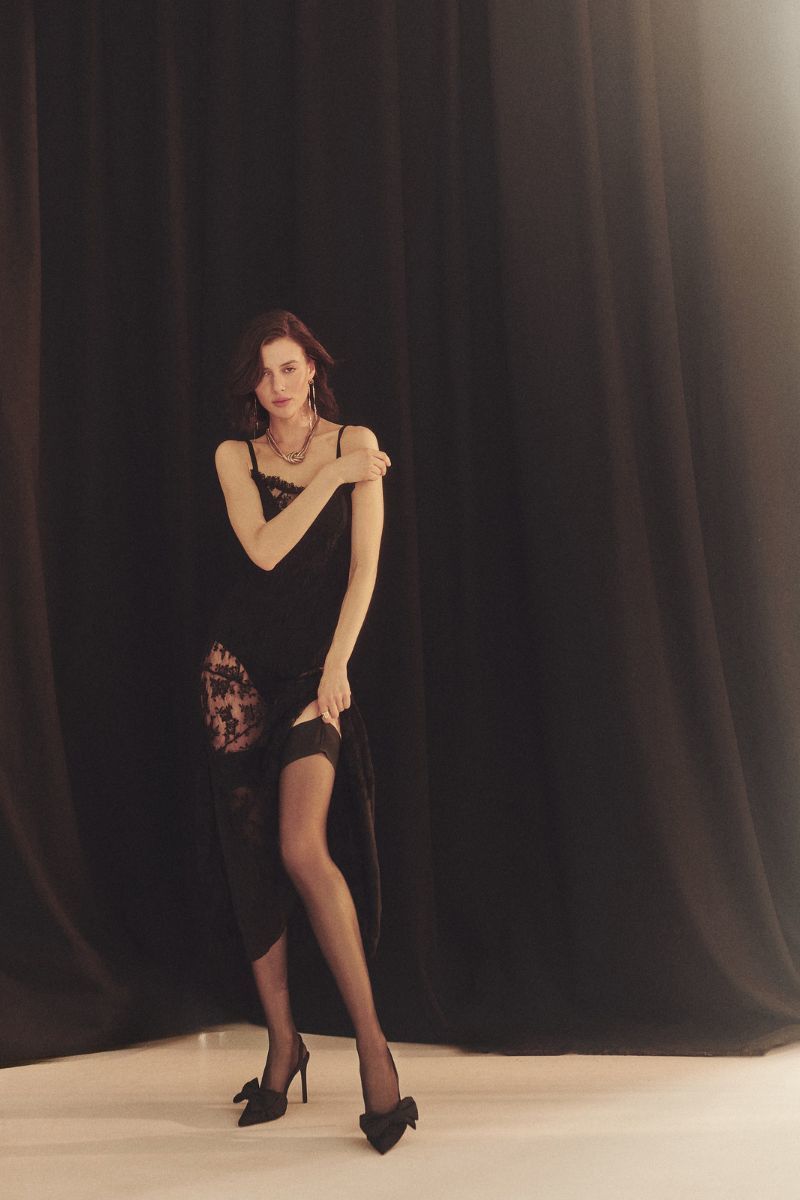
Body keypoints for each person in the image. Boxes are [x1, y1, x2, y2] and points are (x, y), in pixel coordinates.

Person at [197, 310, 418, 1153]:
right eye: (264, 373)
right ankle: (283, 1046)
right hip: (235, 671)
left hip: (314, 674)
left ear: (313, 369)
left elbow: (363, 570)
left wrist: (337, 665)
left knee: (302, 847)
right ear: (251, 384)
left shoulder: (356, 442)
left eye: (290, 368)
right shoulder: (237, 455)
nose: (278, 385)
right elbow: (263, 550)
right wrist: (332, 478)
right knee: (248, 855)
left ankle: (373, 1050)